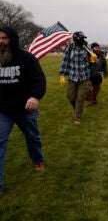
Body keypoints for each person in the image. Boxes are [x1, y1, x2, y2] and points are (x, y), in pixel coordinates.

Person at [0, 26, 46, 194]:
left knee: (32, 136)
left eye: (5, 38)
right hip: (3, 110)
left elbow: (39, 80)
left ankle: (38, 159)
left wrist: (34, 97)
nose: (1, 41)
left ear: (12, 39)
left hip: (25, 108)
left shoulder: (26, 58)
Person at [59, 31, 93, 124]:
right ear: (75, 39)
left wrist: (93, 59)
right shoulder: (69, 49)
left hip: (84, 77)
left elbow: (93, 61)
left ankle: (78, 117)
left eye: (83, 38)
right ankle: (77, 108)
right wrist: (62, 74)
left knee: (80, 98)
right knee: (70, 96)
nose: (82, 40)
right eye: (80, 38)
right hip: (72, 76)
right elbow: (65, 62)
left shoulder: (87, 49)